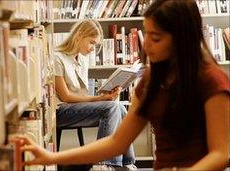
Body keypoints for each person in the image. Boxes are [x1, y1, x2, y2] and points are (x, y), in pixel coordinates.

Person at [20, 0, 229, 170]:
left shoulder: (212, 81)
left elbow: (222, 153)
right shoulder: (150, 82)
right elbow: (116, 142)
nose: (145, 45)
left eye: (155, 38)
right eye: (146, 34)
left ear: (183, 40)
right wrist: (51, 158)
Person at [53, 19, 136, 170]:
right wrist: (100, 99)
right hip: (61, 111)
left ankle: (127, 162)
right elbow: (65, 97)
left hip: (77, 108)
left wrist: (105, 94)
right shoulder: (57, 58)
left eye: (95, 45)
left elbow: (83, 94)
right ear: (79, 35)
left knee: (120, 108)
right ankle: (104, 163)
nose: (92, 48)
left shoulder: (82, 60)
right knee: (111, 108)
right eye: (91, 42)